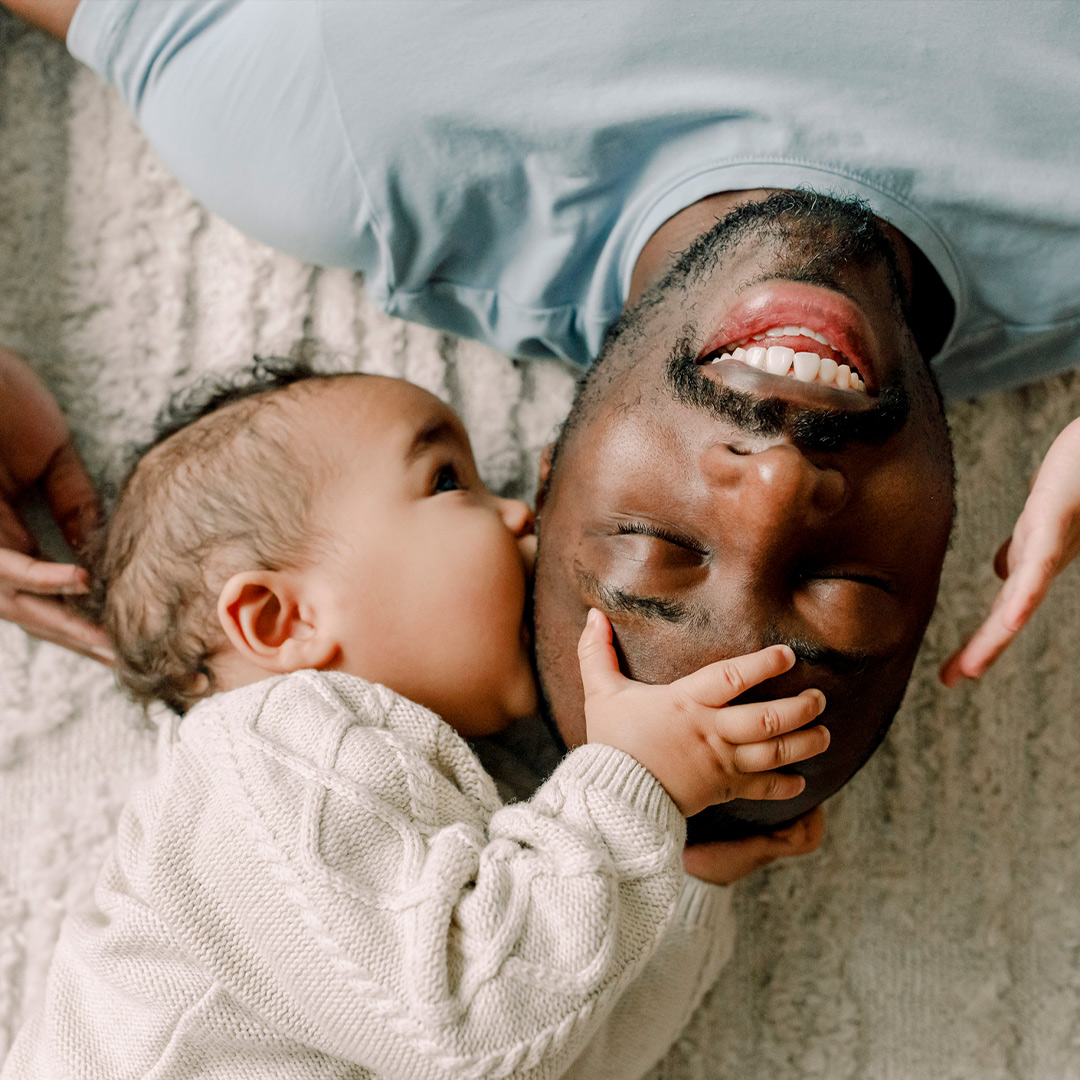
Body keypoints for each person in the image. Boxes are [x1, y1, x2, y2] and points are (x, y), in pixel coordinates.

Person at [2, 0, 1079, 839]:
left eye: (663, 546)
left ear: (552, 481)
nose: (780, 484)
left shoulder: (351, 153)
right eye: (839, 585)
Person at [3, 363, 829, 1079]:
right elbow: (477, 1026)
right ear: (279, 620)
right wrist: (632, 788)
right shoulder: (255, 759)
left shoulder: (495, 811)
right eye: (446, 481)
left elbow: (571, 1047)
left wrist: (679, 869)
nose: (520, 516)